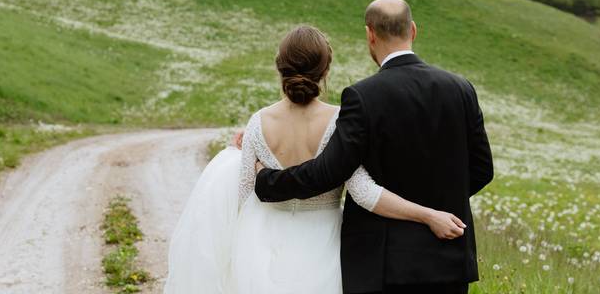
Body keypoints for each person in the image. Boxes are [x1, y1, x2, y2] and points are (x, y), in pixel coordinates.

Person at [164, 23, 466, 294]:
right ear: (326, 70)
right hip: (322, 244)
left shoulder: (257, 122)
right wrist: (428, 214)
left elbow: (243, 196)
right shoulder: (340, 122)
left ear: (279, 67)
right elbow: (363, 192)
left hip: (261, 245)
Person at [255, 0, 494, 294]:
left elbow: (329, 171)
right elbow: (483, 170)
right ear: (414, 30)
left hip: (383, 263)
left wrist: (267, 180)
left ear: (370, 34)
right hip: (448, 256)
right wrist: (438, 201)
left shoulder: (363, 96)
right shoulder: (460, 88)